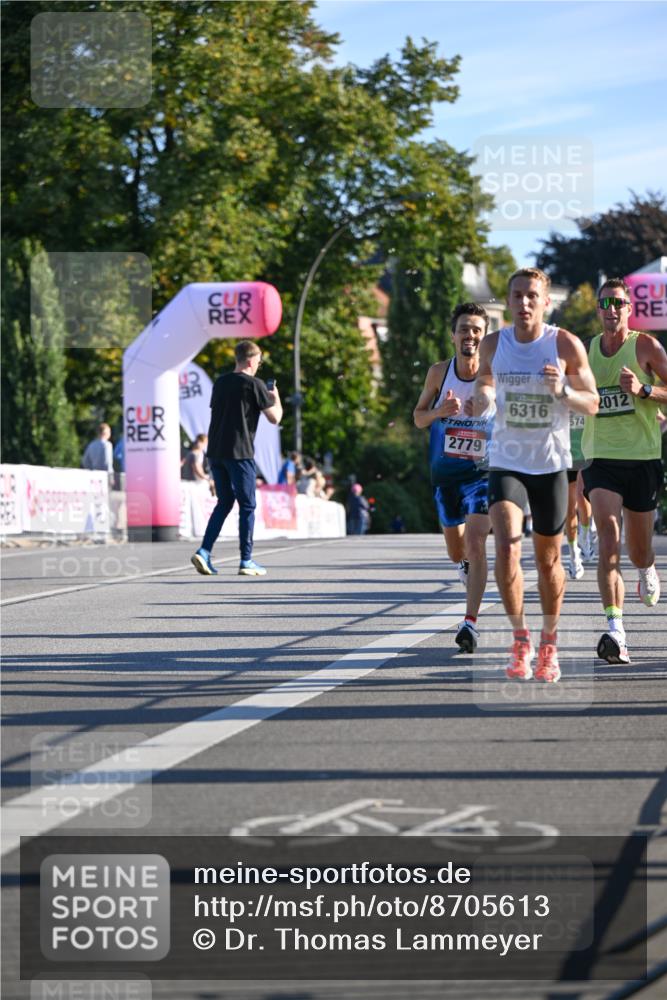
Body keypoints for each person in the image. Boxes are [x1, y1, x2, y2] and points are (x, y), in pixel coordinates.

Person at [473, 268, 599, 682]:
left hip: (549, 464)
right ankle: (520, 639)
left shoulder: (564, 344)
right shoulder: (493, 344)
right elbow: (486, 385)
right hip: (507, 460)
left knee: (547, 561)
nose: (524, 303)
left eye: (532, 296)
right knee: (508, 548)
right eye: (516, 296)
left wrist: (562, 391)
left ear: (546, 302)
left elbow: (593, 403)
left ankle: (549, 643)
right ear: (507, 301)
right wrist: (482, 401)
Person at [581, 277, 667, 664]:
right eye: (604, 303)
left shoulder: (645, 346)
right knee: (608, 538)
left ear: (629, 309)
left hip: (642, 459)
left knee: (638, 548)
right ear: (598, 309)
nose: (611, 309)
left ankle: (647, 568)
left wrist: (645, 391)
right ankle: (615, 629)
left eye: (618, 302)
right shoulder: (586, 352)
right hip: (601, 458)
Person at [413, 302, 493, 653]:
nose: (470, 335)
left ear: (484, 336)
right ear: (453, 335)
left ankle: (470, 624)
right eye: (464, 329)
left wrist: (487, 413)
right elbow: (417, 418)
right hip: (446, 474)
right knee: (456, 549)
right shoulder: (438, 373)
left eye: (476, 329)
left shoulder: (494, 374)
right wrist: (440, 412)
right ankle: (462, 563)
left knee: (476, 544)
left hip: (483, 474)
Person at [191, 340, 282, 577]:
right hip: (240, 452)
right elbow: (275, 418)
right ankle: (246, 560)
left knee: (224, 502)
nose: (259, 365)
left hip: (216, 452)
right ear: (252, 360)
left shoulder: (220, 383)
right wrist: (276, 397)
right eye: (259, 361)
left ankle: (204, 551)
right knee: (248, 505)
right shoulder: (255, 384)